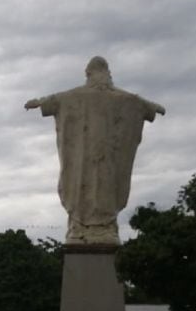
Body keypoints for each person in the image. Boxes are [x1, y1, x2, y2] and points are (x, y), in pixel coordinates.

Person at [25, 56, 165, 245]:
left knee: (105, 187)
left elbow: (135, 102)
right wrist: (41, 102)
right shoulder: (79, 96)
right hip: (82, 157)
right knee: (79, 187)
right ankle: (78, 229)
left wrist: (150, 107)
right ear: (92, 75)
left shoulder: (117, 97)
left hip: (106, 156)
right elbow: (58, 100)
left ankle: (104, 229)